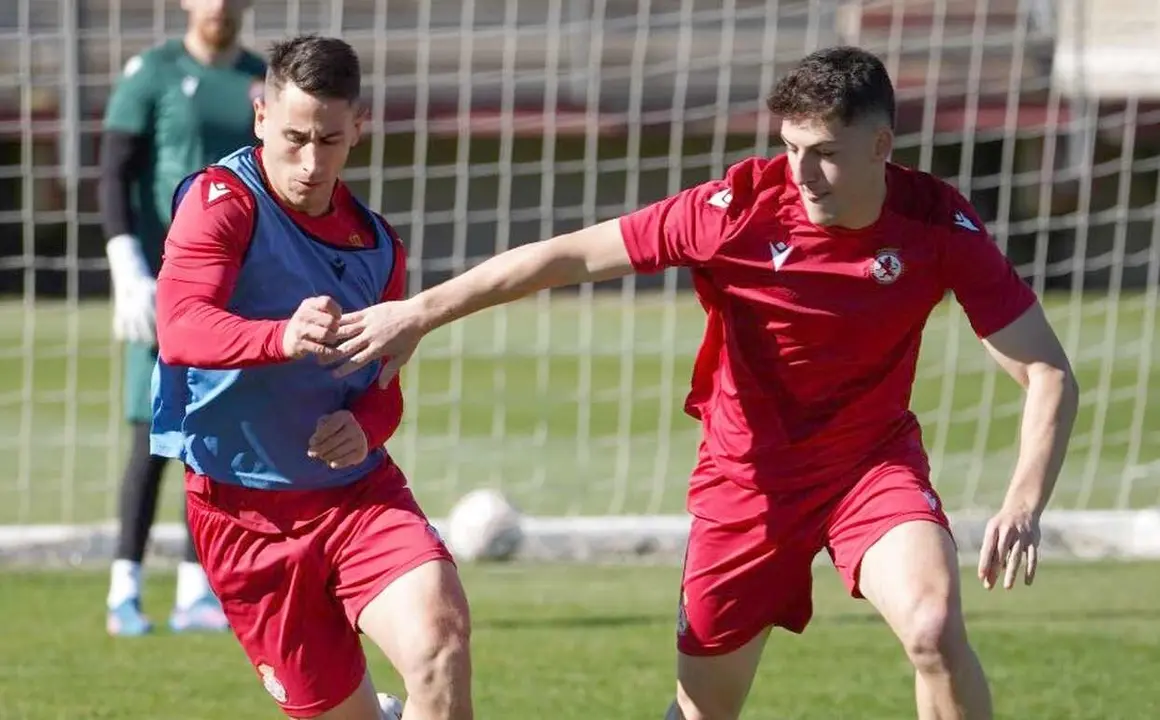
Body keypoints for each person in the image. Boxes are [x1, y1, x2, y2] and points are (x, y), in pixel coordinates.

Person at [327, 46, 1079, 720]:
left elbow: (1046, 370)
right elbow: (568, 258)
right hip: (745, 483)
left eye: (823, 153)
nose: (802, 172)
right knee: (703, 710)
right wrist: (422, 311)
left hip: (868, 470)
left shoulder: (938, 227)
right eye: (789, 149)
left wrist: (1024, 500)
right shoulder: (737, 212)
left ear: (882, 146)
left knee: (933, 629)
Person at [150, 34, 473, 720]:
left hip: (358, 498)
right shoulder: (221, 201)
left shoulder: (379, 247)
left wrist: (363, 426)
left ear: (358, 128)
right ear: (261, 114)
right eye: (294, 136)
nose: (310, 160)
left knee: (441, 649)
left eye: (330, 139)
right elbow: (180, 328)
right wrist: (281, 336)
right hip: (244, 517)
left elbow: (381, 390)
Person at [100, 0, 265, 636]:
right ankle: (125, 590)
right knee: (151, 432)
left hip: (240, 287)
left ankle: (198, 591)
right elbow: (114, 169)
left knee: (216, 433)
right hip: (165, 282)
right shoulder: (152, 72)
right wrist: (125, 262)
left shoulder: (262, 81)